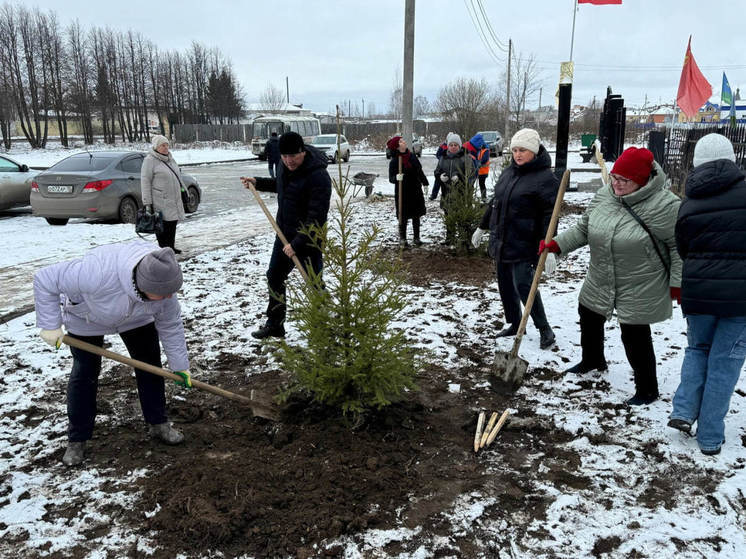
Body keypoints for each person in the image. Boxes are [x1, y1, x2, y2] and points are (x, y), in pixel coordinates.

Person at [541, 146, 682, 405]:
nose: (615, 184)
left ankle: (647, 389)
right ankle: (593, 361)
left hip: (641, 279)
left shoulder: (666, 206)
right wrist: (556, 246)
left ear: (641, 180)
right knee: (589, 314)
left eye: (623, 180)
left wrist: (678, 283)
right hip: (602, 273)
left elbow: (679, 246)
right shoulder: (606, 195)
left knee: (634, 333)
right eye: (614, 177)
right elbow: (584, 230)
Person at [33, 241, 191, 466]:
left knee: (150, 365)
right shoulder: (95, 272)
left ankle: (158, 424)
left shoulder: (164, 291)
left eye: (171, 293)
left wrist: (179, 365)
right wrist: (50, 324)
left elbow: (171, 325)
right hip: (86, 316)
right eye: (164, 294)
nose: (169, 298)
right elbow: (45, 278)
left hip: (136, 317)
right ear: (144, 285)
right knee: (85, 372)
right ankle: (77, 438)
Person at [669, 134, 746, 455]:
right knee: (724, 363)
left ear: (696, 164)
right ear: (732, 160)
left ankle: (684, 410)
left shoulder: (689, 201)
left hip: (698, 293)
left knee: (697, 349)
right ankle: (711, 436)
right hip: (739, 298)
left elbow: (684, 248)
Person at [241, 131, 332, 339]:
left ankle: (324, 327)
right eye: (284, 157)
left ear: (303, 152)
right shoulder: (284, 166)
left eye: (293, 156)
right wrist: (258, 182)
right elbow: (281, 186)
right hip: (283, 235)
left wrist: (297, 243)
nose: (289, 161)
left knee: (314, 283)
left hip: (309, 240)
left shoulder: (318, 176)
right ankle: (275, 324)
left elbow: (316, 217)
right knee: (274, 276)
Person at [473, 128, 557, 350]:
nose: (518, 155)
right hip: (502, 239)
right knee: (505, 286)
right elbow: (495, 202)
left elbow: (550, 216)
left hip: (524, 241)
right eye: (515, 150)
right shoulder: (509, 172)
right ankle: (514, 322)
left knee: (524, 284)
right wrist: (482, 227)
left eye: (523, 150)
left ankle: (544, 328)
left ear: (534, 151)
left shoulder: (545, 178)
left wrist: (549, 248)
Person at [141, 135, 186, 254]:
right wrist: (147, 202)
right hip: (160, 199)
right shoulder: (150, 160)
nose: (166, 148)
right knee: (162, 224)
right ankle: (163, 249)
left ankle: (171, 246)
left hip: (173, 198)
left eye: (167, 145)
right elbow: (145, 181)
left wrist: (184, 190)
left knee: (172, 222)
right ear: (156, 147)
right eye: (163, 145)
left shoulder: (170, 159)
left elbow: (178, 176)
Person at [434, 133, 475, 245]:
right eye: (451, 144)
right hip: (447, 192)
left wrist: (460, 178)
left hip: (462, 194)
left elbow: (471, 174)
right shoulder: (443, 157)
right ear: (448, 146)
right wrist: (440, 176)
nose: (453, 147)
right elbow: (437, 171)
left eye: (455, 145)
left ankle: (464, 239)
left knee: (462, 217)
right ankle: (450, 238)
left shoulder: (465, 157)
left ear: (459, 146)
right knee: (449, 216)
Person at [388, 135, 429, 247]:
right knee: (403, 216)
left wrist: (425, 183)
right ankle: (403, 238)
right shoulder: (394, 161)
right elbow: (391, 178)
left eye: (403, 141)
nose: (404, 142)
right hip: (403, 193)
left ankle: (416, 238)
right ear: (397, 147)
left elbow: (419, 171)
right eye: (401, 142)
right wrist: (396, 178)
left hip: (415, 190)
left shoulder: (412, 156)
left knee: (416, 215)